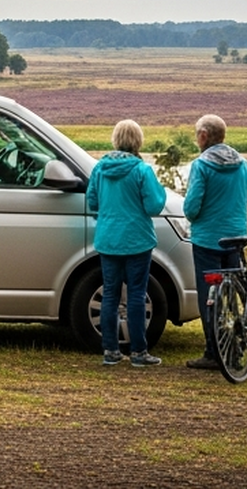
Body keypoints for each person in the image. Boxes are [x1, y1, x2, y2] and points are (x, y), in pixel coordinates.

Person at [182, 113, 247, 371]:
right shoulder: (242, 163)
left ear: (204, 136)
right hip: (236, 239)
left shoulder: (202, 166)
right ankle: (235, 347)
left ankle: (213, 351)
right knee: (231, 296)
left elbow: (191, 208)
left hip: (208, 241)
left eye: (197, 135)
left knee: (210, 297)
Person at [86, 119, 168, 367]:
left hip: (108, 239)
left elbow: (92, 202)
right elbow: (154, 205)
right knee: (136, 294)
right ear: (138, 141)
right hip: (137, 240)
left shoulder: (100, 169)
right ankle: (139, 352)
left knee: (110, 293)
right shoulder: (142, 170)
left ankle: (110, 350)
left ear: (115, 139)